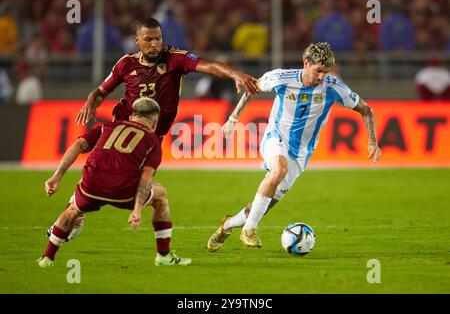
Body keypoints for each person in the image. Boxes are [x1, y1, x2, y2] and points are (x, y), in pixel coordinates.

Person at [207, 42, 381, 251]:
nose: (321, 77)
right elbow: (252, 88)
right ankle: (249, 230)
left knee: (263, 205)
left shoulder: (333, 88)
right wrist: (233, 118)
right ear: (306, 63)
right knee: (279, 170)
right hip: (276, 137)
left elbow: (366, 109)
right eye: (318, 71)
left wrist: (372, 140)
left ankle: (228, 225)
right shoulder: (282, 77)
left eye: (326, 72)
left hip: (301, 154)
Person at [38, 97, 191, 267]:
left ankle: (47, 257)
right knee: (160, 194)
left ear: (132, 116)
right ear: (155, 123)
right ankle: (163, 256)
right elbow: (146, 178)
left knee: (73, 208)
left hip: (91, 186)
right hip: (123, 192)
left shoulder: (107, 126)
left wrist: (56, 177)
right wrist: (137, 210)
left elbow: (78, 145)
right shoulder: (153, 142)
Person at [76, 17, 259, 140]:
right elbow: (100, 91)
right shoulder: (126, 64)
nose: (154, 44)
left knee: (138, 188)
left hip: (154, 134)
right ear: (137, 40)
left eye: (158, 39)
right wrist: (91, 102)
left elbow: (209, 66)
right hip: (124, 126)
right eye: (148, 40)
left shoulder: (175, 58)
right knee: (83, 148)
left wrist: (236, 74)